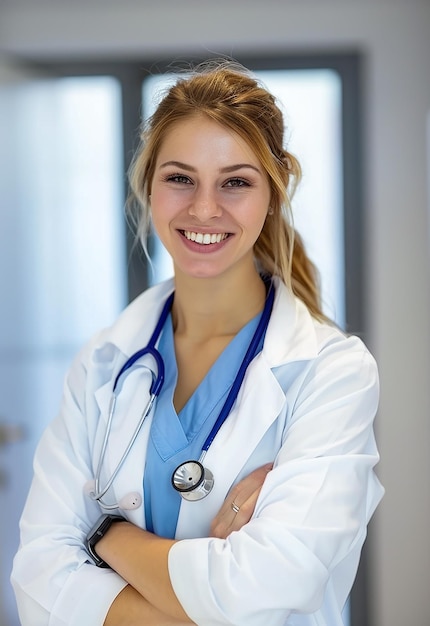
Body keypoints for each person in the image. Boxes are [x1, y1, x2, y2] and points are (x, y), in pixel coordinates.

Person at [11, 59, 384, 626]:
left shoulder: (330, 374)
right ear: (148, 184)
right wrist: (212, 598)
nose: (204, 208)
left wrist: (105, 536)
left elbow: (267, 588)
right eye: (180, 177)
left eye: (235, 181)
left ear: (274, 194)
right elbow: (37, 579)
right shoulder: (103, 364)